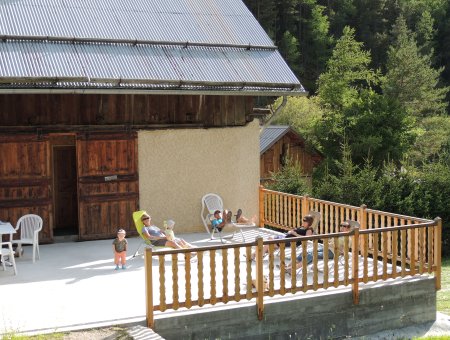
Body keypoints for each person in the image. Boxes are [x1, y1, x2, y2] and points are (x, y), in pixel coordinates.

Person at [284, 220, 353, 272]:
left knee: (311, 255)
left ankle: (292, 269)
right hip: (325, 248)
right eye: (341, 225)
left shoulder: (347, 238)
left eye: (344, 226)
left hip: (333, 252)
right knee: (305, 252)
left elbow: (344, 250)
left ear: (348, 229)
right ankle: (288, 266)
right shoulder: (338, 234)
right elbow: (330, 242)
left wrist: (337, 248)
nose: (342, 227)